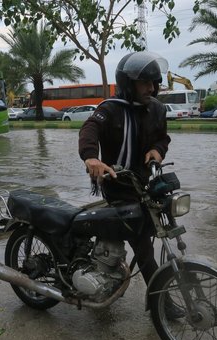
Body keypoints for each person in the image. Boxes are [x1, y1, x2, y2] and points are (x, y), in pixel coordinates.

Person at [78, 51, 183, 319]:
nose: (151, 88)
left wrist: (158, 151)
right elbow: (89, 129)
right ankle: (161, 304)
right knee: (142, 245)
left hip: (143, 182)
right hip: (117, 182)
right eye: (145, 83)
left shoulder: (156, 109)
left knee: (149, 233)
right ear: (128, 83)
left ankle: (116, 276)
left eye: (154, 83)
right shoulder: (110, 108)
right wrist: (92, 158)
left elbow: (163, 139)